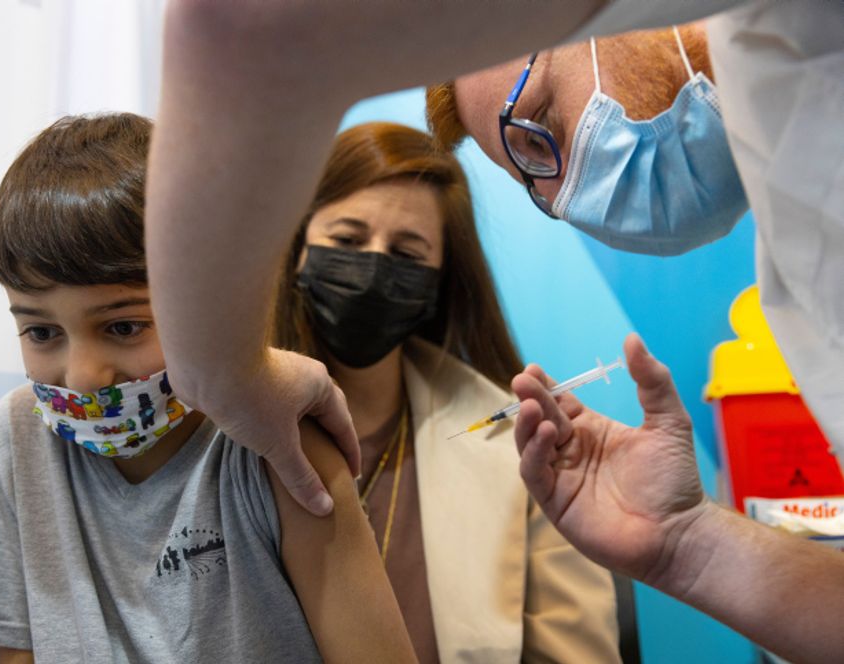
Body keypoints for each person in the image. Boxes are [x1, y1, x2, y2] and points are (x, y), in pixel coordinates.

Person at [145, 1, 844, 661]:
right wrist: (685, 541)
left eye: (538, 120)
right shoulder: (799, 226)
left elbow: (243, 21)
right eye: (532, 181)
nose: (571, 190)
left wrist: (221, 374)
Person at [0, 113, 416, 663]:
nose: (85, 374)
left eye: (123, 327)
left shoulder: (277, 442)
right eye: (42, 332)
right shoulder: (15, 439)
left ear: (208, 303)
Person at [274, 121, 621, 663]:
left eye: (407, 254)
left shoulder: (518, 444)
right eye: (346, 241)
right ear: (298, 248)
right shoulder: (217, 425)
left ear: (438, 284)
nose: (371, 268)